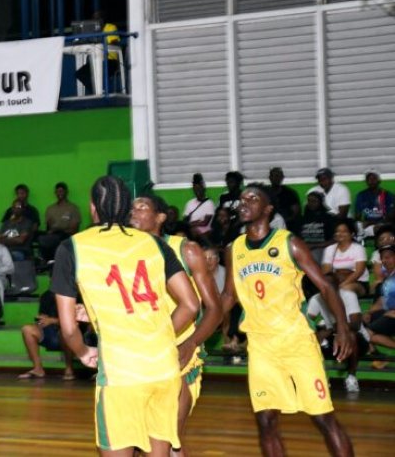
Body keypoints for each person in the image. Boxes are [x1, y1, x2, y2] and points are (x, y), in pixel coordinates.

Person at [52, 176, 200, 456]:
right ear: (127, 211)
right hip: (164, 369)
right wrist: (162, 338)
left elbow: (68, 327)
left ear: (93, 208)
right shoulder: (154, 244)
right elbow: (191, 304)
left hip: (121, 374)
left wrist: (83, 352)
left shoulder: (72, 248)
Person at [221, 184, 354, 457]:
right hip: (260, 346)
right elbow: (227, 298)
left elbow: (327, 287)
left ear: (268, 209)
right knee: (266, 421)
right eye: (242, 199)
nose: (243, 202)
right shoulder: (233, 249)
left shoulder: (288, 242)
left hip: (295, 342)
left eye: (252, 198)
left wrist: (343, 329)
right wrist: (196, 332)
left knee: (322, 418)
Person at [130, 194, 223, 454]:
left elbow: (215, 310)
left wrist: (191, 343)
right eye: (131, 208)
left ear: (160, 217)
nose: (133, 212)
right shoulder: (124, 253)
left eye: (142, 207)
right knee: (138, 441)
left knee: (169, 436)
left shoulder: (186, 250)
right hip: (140, 355)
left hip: (179, 353)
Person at [18, 290, 76, 381]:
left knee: (65, 331)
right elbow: (43, 317)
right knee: (27, 329)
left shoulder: (74, 295)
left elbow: (76, 321)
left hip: (69, 334)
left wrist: (53, 320)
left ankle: (69, 368)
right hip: (49, 332)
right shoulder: (46, 295)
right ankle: (38, 369)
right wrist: (41, 320)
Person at [321, 219, 369, 297]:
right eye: (337, 231)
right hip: (337, 281)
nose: (340, 234)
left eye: (344, 231)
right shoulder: (329, 249)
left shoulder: (358, 248)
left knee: (345, 289)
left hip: (358, 282)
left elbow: (359, 272)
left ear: (352, 234)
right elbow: (326, 272)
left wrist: (343, 283)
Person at [38, 182, 82, 263]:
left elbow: (74, 229)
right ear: (55, 193)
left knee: (56, 238)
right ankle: (46, 261)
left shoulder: (72, 208)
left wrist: (61, 230)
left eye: (62, 191)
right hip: (53, 235)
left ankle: (53, 260)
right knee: (41, 236)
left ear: (66, 192)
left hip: (66, 235)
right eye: (58, 191)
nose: (59, 193)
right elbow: (48, 227)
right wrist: (50, 232)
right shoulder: (50, 208)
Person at [268, 167, 301, 232]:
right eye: (275, 176)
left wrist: (283, 221)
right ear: (270, 178)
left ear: (282, 178)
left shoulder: (290, 193)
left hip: (288, 225)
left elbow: (296, 213)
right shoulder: (265, 193)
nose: (277, 178)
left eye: (280, 176)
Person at [183, 173, 215, 241]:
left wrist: (191, 223)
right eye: (195, 188)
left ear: (203, 188)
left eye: (199, 188)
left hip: (205, 232)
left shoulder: (209, 203)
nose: (197, 191)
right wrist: (196, 223)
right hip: (191, 231)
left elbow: (205, 223)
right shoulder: (189, 203)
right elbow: (185, 221)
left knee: (194, 232)